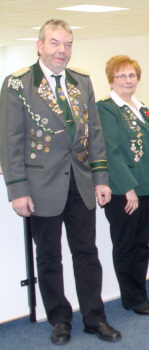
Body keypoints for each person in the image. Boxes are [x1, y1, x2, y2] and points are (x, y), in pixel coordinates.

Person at [0, 19, 121, 344]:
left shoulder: (81, 81)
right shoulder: (18, 84)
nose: (62, 51)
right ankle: (59, 318)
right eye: (54, 43)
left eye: (67, 44)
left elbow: (94, 132)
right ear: (39, 46)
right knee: (49, 256)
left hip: (80, 183)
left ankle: (94, 317)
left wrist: (100, 178)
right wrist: (17, 189)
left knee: (87, 253)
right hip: (41, 186)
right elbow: (10, 140)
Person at [97, 55, 149, 315]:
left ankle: (140, 294)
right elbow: (111, 152)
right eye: (121, 75)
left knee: (141, 245)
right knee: (126, 246)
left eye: (132, 75)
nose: (128, 80)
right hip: (124, 192)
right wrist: (128, 189)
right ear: (111, 80)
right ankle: (131, 298)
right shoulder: (107, 108)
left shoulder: (141, 107)